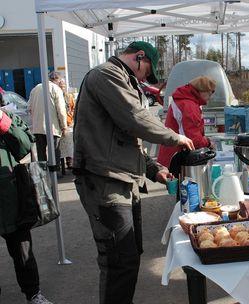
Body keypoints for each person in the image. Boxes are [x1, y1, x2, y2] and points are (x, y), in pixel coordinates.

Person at [73, 41, 194, 304]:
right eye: (146, 72)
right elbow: (134, 118)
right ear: (139, 57)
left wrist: (155, 170)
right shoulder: (107, 74)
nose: (144, 79)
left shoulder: (124, 80)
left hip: (120, 180)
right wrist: (174, 137)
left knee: (128, 257)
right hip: (105, 182)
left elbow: (127, 140)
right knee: (118, 261)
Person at [0, 109, 53, 304]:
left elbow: (24, 146)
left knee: (23, 251)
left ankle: (33, 293)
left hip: (13, 199)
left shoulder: (7, 117)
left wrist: (3, 123)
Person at [157, 76, 217, 168]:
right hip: (176, 159)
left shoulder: (186, 100)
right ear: (202, 91)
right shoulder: (189, 106)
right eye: (209, 94)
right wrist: (208, 143)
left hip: (172, 153)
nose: (210, 98)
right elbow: (193, 139)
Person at [28, 71, 68, 165]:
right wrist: (64, 127)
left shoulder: (36, 88)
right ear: (57, 80)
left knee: (41, 153)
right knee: (54, 152)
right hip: (52, 127)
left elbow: (29, 107)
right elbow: (61, 111)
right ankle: (55, 173)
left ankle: (43, 174)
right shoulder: (56, 89)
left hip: (38, 128)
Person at [57, 78, 75, 170]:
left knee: (70, 141)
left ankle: (70, 160)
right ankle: (61, 163)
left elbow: (72, 109)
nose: (62, 87)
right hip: (58, 124)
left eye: (63, 85)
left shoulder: (69, 96)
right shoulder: (56, 95)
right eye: (61, 85)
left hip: (68, 123)